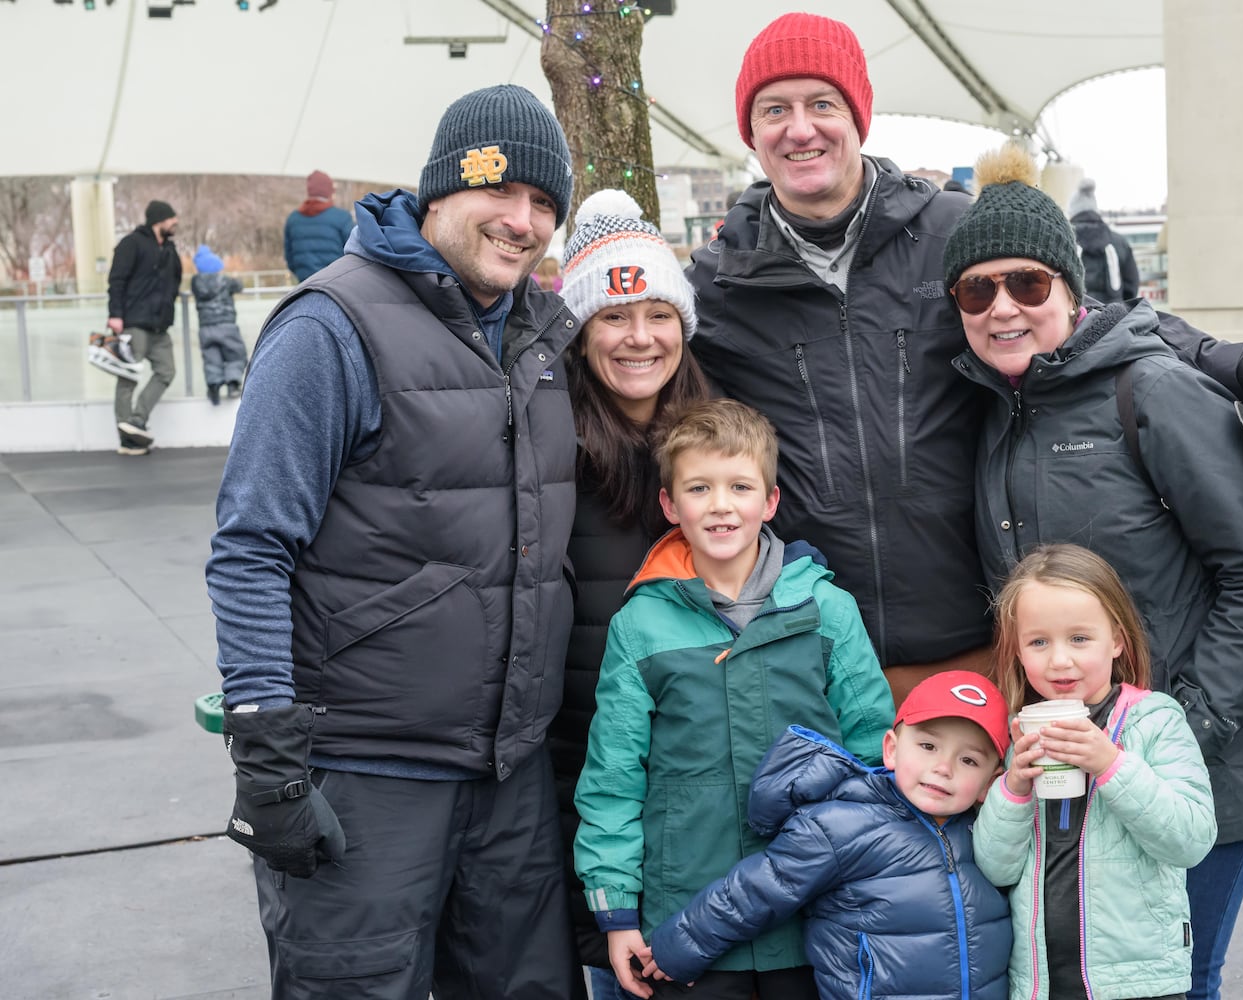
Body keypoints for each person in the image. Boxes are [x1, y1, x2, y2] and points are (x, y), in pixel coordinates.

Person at [688, 12, 1243, 706]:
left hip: (983, 641)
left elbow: (1079, 318)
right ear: (751, 132)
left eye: (822, 104)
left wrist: (1216, 355)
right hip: (822, 644)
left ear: (859, 116)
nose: (800, 129)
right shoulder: (719, 283)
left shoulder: (948, 232)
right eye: (775, 110)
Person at [205, 84, 582, 999]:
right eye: (503, 192)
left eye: (543, 204)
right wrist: (268, 758)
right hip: (367, 777)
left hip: (508, 779)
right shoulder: (333, 326)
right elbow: (251, 546)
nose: (522, 221)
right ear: (440, 193)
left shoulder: (538, 335)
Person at [945, 141, 1243, 1000]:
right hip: (1080, 772)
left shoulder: (1152, 390)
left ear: (1071, 290)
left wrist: (1182, 731)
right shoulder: (1000, 412)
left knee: (1181, 980)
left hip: (1199, 766)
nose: (1003, 307)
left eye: (1027, 284)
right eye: (976, 290)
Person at [573, 398, 896, 1000]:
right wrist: (615, 910)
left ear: (769, 501)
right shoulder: (642, 623)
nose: (721, 505)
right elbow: (613, 776)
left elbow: (873, 755)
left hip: (812, 915)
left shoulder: (827, 610)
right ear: (671, 505)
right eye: (699, 487)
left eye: (740, 486)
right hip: (686, 920)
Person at [548, 188, 712, 1000]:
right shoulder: (549, 445)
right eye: (613, 317)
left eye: (658, 312)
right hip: (585, 773)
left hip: (702, 775)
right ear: (581, 332)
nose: (639, 337)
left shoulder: (718, 437)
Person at [646, 670, 1013, 999]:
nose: (943, 768)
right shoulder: (842, 824)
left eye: (969, 760)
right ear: (891, 749)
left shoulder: (986, 832)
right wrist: (679, 947)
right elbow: (757, 889)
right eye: (928, 746)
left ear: (989, 783)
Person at [974, 544, 1217, 1000]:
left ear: (1118, 640)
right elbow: (997, 868)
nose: (1059, 660)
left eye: (1080, 639)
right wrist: (1014, 788)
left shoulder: (1153, 721)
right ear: (1018, 651)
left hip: (1138, 983)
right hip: (1041, 984)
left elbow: (1191, 839)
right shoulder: (1024, 729)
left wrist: (1111, 765)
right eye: (1039, 642)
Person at [107, 199, 181, 455]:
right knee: (128, 375)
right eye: (172, 218)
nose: (176, 222)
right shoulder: (132, 243)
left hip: (160, 326)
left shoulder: (170, 249)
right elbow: (116, 280)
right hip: (134, 323)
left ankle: (136, 422)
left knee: (166, 371)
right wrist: (115, 314)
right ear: (159, 220)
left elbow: (175, 282)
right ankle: (126, 438)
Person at [189, 244, 248, 405]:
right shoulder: (226, 281)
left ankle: (213, 386)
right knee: (235, 354)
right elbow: (239, 286)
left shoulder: (195, 282)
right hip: (227, 325)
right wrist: (236, 277)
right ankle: (233, 383)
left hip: (206, 327)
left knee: (211, 357)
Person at [1068, 177, 1139, 303]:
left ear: (1073, 211)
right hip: (1115, 314)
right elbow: (1131, 284)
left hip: (1075, 314)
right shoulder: (1119, 242)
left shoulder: (1064, 241)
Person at [283, 169, 354, 283]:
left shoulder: (293, 219)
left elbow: (289, 258)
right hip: (336, 284)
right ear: (329, 191)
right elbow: (353, 253)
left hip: (305, 284)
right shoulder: (342, 217)